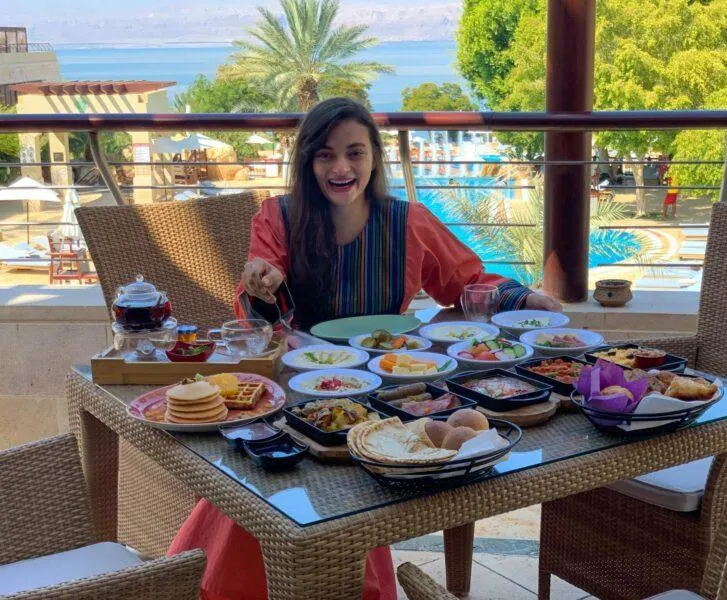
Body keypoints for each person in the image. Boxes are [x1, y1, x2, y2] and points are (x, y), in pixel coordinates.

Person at [169, 97, 561, 600]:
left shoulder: (409, 222)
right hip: (296, 394)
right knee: (264, 482)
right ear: (307, 162)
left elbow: (467, 281)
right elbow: (256, 302)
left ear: (374, 158)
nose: (341, 167)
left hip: (387, 397)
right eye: (325, 155)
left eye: (354, 152)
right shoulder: (277, 217)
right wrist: (259, 282)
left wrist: (525, 297)